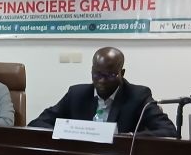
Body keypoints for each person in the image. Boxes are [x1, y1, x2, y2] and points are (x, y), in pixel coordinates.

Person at [28, 46, 176, 136]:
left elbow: (168, 131)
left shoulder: (138, 96)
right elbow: (37, 123)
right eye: (97, 74)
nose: (102, 80)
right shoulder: (76, 94)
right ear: (91, 71)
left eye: (110, 75)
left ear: (121, 73)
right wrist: (67, 131)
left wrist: (127, 137)